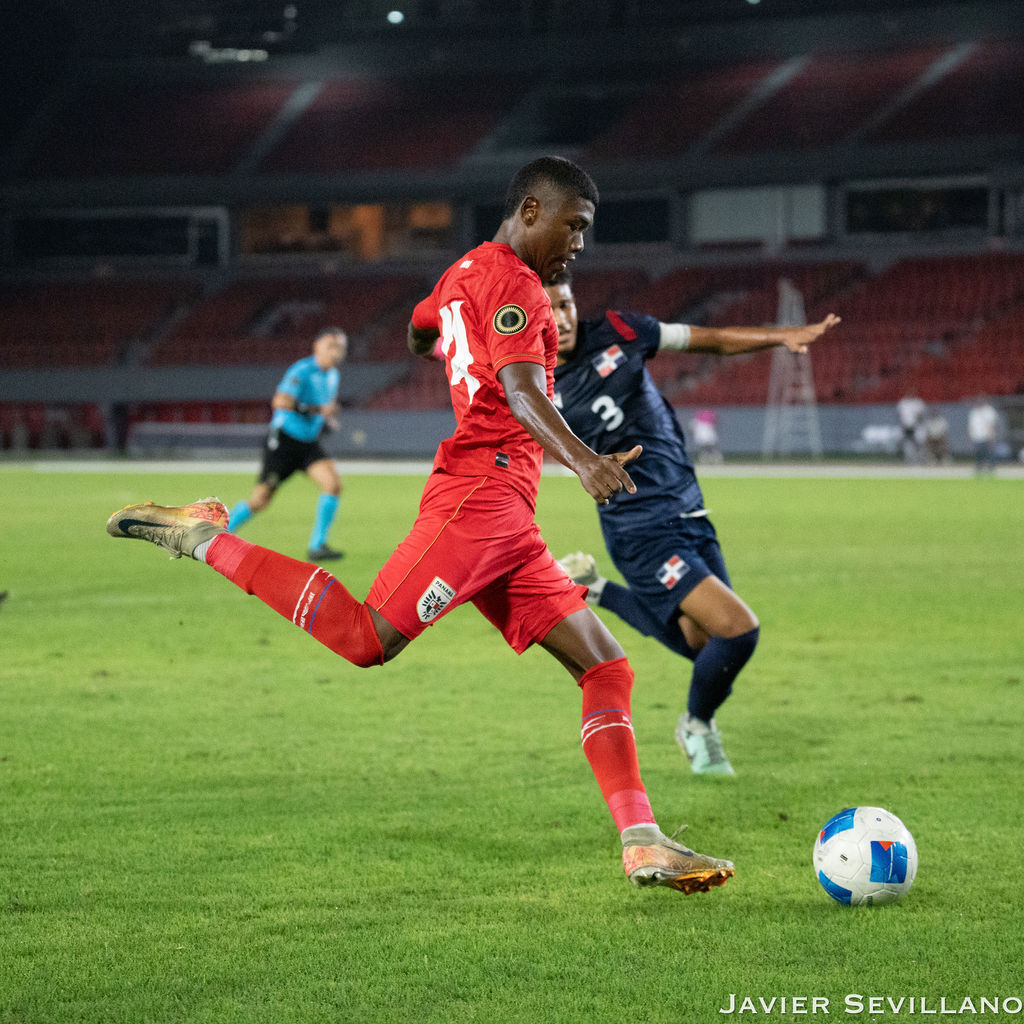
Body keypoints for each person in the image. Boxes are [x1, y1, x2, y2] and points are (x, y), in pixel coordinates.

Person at [106, 156, 733, 896]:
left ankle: (642, 842)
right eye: (576, 227)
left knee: (607, 667)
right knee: (367, 638)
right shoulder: (520, 286)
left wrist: (437, 345)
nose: (580, 245)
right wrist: (585, 460)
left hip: (507, 516)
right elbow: (522, 387)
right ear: (532, 211)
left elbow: (418, 327)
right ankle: (203, 536)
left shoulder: (463, 272)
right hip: (480, 498)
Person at [547, 271, 840, 774]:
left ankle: (595, 590)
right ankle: (697, 725)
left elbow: (709, 340)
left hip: (688, 506)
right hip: (638, 526)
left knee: (703, 644)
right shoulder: (534, 384)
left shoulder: (620, 329)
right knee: (738, 631)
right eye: (549, 310)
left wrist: (779, 336)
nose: (563, 318)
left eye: (567, 305)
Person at [228, 328, 347, 562]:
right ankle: (216, 534)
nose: (335, 352)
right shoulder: (301, 370)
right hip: (284, 441)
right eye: (330, 346)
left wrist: (328, 418)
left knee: (332, 484)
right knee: (261, 499)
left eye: (340, 348)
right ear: (317, 347)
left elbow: (326, 405)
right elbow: (280, 401)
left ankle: (317, 546)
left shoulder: (333, 375)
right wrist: (316, 410)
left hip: (308, 443)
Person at [967, 395, 1000, 475]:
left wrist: (991, 435)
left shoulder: (989, 410)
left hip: (987, 435)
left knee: (989, 452)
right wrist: (970, 435)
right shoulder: (974, 411)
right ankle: (979, 468)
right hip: (977, 435)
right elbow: (971, 424)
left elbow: (991, 423)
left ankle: (991, 468)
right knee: (978, 453)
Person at [896, 391, 927, 465]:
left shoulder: (918, 403)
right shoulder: (903, 402)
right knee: (903, 443)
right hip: (905, 426)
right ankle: (905, 459)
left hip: (916, 426)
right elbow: (899, 415)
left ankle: (920, 459)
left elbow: (922, 415)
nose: (910, 394)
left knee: (919, 443)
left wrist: (917, 424)